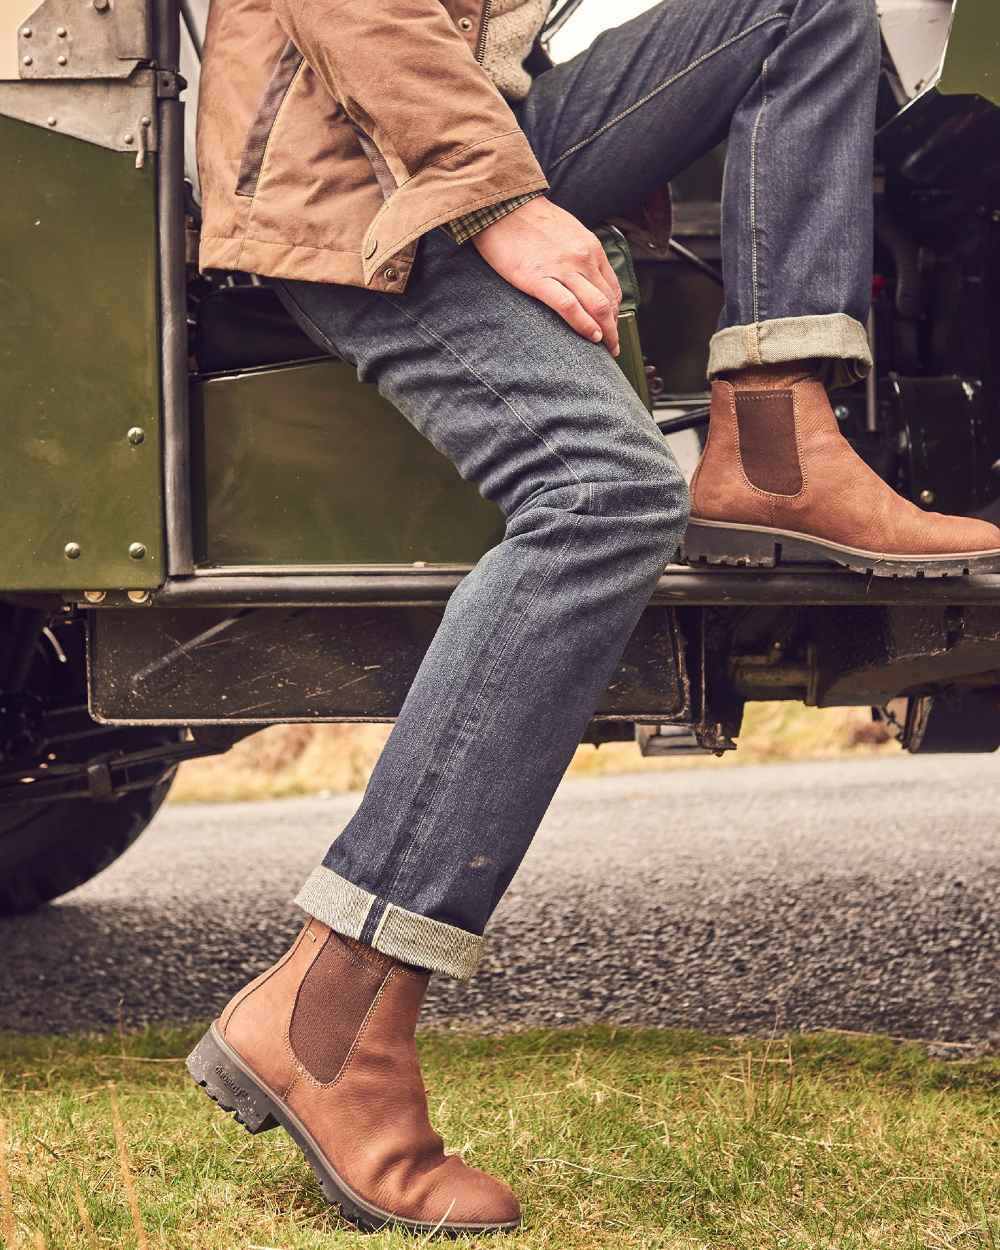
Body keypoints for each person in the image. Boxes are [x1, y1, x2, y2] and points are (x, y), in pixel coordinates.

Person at [187, 0, 1000, 1234]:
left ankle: (775, 437)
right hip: (345, 169)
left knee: (805, 6)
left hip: (456, 124)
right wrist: (499, 199)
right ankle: (330, 1008)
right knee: (603, 495)